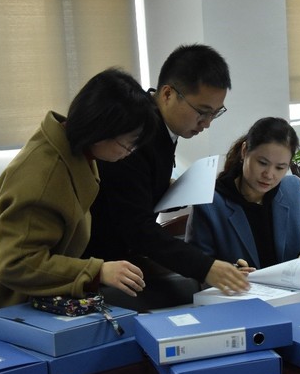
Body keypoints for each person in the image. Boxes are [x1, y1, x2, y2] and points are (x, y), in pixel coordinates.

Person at [0, 68, 158, 346]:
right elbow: (17, 263)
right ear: (102, 133)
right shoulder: (44, 176)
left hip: (12, 306)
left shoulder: (76, 152)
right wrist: (97, 271)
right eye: (129, 144)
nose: (129, 153)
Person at [84, 44, 250, 310]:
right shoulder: (133, 134)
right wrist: (205, 267)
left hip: (123, 256)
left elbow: (136, 189)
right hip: (98, 266)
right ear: (168, 94)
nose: (207, 123)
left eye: (215, 113)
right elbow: (136, 226)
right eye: (202, 111)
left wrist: (167, 190)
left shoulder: (163, 125)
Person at [186, 117, 300, 268]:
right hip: (240, 284)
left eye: (280, 167)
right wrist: (228, 272)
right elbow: (197, 264)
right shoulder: (209, 203)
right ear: (244, 151)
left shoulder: (291, 189)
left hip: (294, 283)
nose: (269, 175)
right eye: (262, 163)